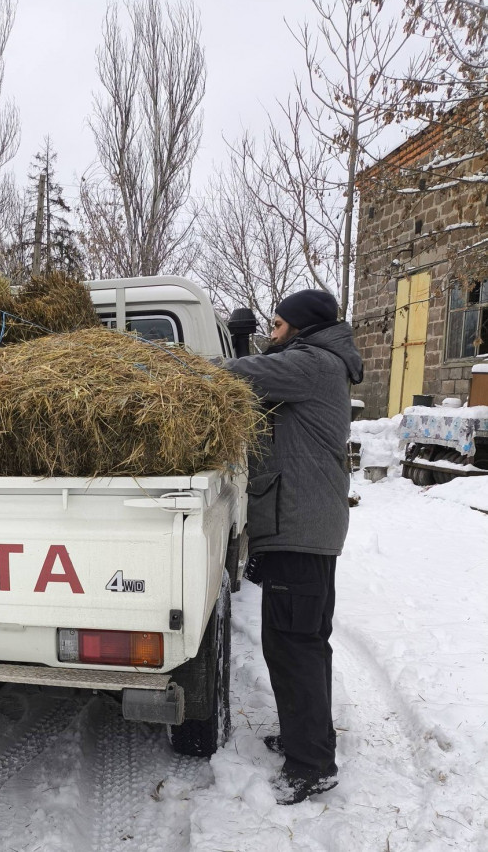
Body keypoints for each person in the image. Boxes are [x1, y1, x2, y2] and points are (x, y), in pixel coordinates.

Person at [223, 289, 363, 806]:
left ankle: (311, 766)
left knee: (293, 645)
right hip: (306, 527)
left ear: (301, 328)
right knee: (303, 642)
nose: (272, 333)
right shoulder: (317, 362)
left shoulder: (312, 364)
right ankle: (309, 739)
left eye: (278, 325)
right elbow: (262, 371)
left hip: (301, 528)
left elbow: (237, 375)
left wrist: (182, 360)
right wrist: (246, 342)